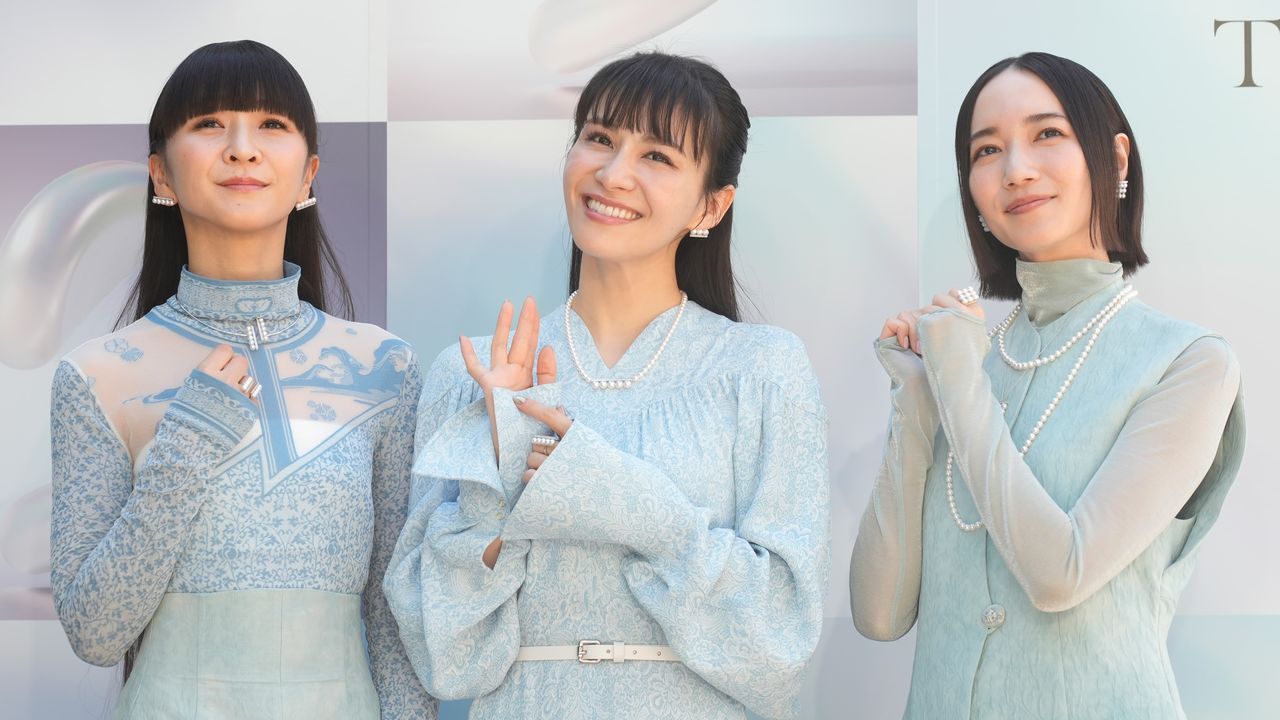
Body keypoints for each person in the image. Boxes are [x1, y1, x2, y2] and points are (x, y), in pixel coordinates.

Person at [385, 52, 829, 719]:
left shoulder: (763, 369)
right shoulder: (473, 374)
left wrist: (631, 505)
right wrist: (494, 482)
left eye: (657, 156)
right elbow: (444, 658)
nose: (614, 174)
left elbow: (779, 648)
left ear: (712, 204)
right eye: (599, 138)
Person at [848, 52, 1244, 719]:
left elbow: (1062, 574)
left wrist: (958, 381)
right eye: (986, 150)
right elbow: (879, 616)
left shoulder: (1188, 362)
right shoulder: (961, 357)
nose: (1016, 169)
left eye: (1047, 134)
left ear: (1115, 159)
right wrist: (917, 402)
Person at [49, 40, 432, 719]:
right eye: (209, 124)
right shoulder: (97, 375)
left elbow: (395, 620)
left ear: (309, 174)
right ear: (161, 175)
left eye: (271, 125)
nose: (242, 149)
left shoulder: (386, 368)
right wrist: (186, 443)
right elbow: (96, 633)